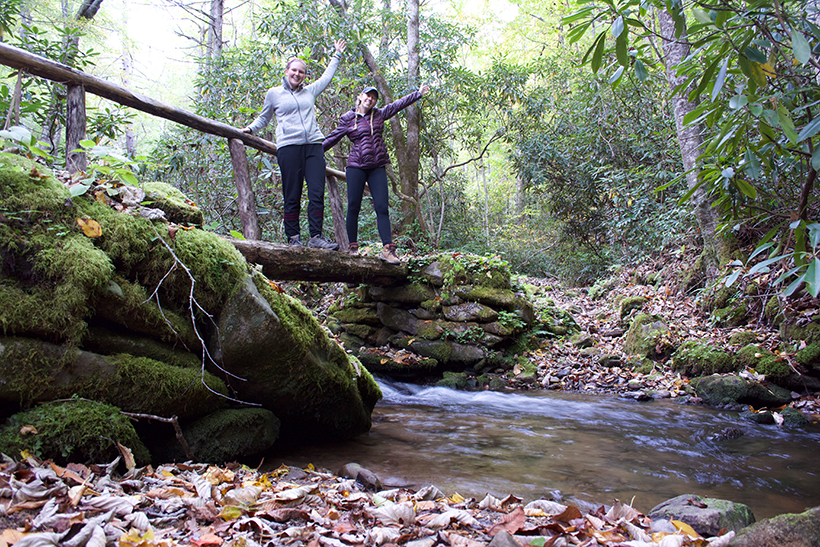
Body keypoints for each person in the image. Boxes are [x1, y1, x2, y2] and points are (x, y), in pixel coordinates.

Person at [242, 39, 346, 250]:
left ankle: (316, 237)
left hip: (314, 147)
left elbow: (327, 77)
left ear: (305, 76)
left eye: (302, 72)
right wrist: (251, 129)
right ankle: (294, 238)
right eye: (294, 70)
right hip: (289, 148)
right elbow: (264, 118)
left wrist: (336, 55)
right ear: (287, 71)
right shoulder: (274, 94)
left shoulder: (310, 92)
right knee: (292, 194)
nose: (298, 74)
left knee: (316, 192)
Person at [322, 83, 429, 263]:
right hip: (356, 166)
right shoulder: (348, 118)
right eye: (367, 96)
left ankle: (388, 250)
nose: (370, 99)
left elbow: (397, 105)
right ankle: (353, 248)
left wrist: (417, 94)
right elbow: (332, 138)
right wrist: (311, 153)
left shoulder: (379, 115)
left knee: (382, 207)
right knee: (353, 207)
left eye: (374, 97)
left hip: (377, 166)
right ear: (360, 96)